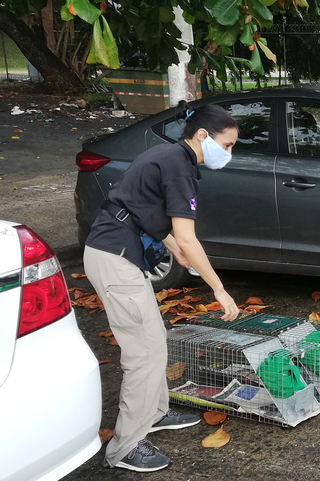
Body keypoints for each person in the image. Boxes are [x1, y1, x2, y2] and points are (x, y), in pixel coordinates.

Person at [84, 100, 242, 472]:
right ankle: (125, 447)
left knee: (154, 338)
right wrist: (218, 288)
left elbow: (140, 208)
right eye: (229, 145)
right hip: (115, 259)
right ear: (203, 136)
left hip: (116, 252)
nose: (230, 154)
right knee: (145, 354)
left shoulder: (169, 155)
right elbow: (188, 237)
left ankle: (153, 413)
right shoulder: (179, 169)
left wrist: (173, 247)